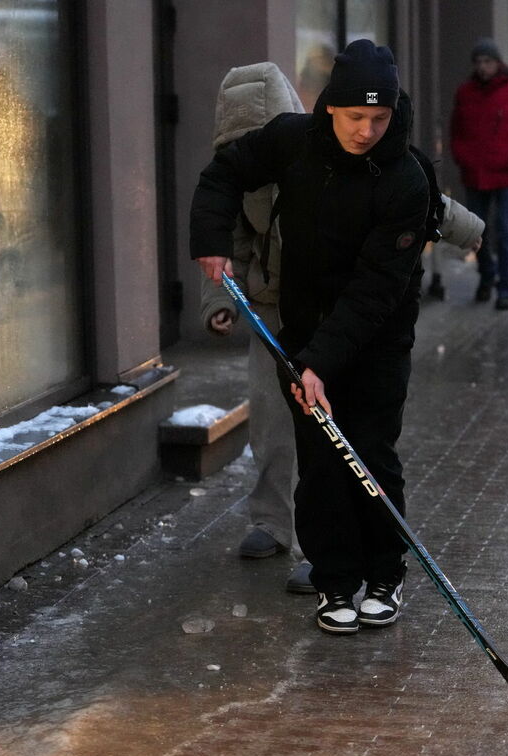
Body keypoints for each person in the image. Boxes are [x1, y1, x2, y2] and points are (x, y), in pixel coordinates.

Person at [190, 39, 431, 635]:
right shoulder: (294, 141)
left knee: (369, 453)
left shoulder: (408, 177)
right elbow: (225, 171)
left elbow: (376, 291)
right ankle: (335, 580)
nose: (368, 130)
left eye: (380, 118)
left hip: (376, 336)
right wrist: (210, 239)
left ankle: (383, 573)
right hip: (303, 329)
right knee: (321, 463)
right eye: (356, 117)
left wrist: (320, 362)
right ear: (329, 109)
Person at [197, 62, 313, 593]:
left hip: (320, 311)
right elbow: (228, 242)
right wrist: (220, 299)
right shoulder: (236, 174)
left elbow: (418, 197)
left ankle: (323, 542)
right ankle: (271, 521)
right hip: (268, 312)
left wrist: (466, 230)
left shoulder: (322, 160)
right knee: (269, 422)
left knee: (322, 429)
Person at [449, 37, 508, 310]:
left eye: (487, 62)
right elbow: (457, 130)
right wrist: (463, 158)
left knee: (505, 231)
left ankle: (505, 288)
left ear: (498, 62)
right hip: (476, 174)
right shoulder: (466, 92)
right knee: (476, 233)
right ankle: (486, 277)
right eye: (478, 62)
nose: (483, 68)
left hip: (506, 175)